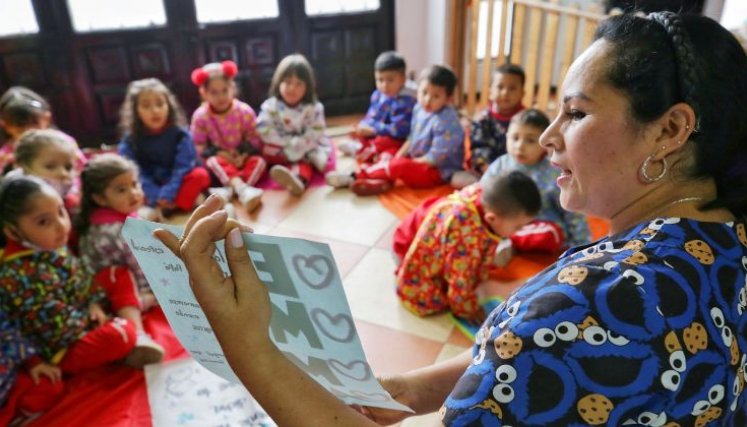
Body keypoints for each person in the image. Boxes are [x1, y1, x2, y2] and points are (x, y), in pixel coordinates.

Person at [155, 12, 747, 426]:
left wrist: (247, 345)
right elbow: (536, 358)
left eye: (576, 113)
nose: (548, 136)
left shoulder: (605, 302)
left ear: (670, 130)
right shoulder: (724, 243)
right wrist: (409, 390)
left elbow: (554, 341)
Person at [0, 176, 163, 386]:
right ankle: (130, 327)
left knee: (116, 274)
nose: (61, 225)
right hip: (65, 346)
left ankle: (136, 334)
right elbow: (53, 326)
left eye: (60, 212)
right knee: (118, 335)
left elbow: (81, 277)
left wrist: (93, 302)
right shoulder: (18, 273)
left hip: (82, 311)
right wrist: (92, 319)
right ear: (13, 232)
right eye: (43, 222)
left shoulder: (48, 242)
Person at [394, 171, 540, 323]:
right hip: (413, 271)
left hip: (428, 243)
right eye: (518, 226)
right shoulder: (467, 235)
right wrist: (467, 308)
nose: (520, 231)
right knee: (434, 299)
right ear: (491, 218)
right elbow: (459, 278)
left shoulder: (482, 197)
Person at [326, 65, 464, 196]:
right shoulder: (419, 108)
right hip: (417, 157)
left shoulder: (447, 123)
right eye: (424, 92)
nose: (427, 100)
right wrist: (398, 156)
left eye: (436, 96)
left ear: (448, 100)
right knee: (390, 152)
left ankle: (353, 176)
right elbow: (412, 137)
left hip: (437, 172)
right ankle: (382, 181)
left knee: (398, 166)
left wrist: (400, 163)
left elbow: (434, 159)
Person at [481, 108, 591, 252]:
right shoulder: (501, 164)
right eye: (515, 138)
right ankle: (506, 242)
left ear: (545, 144)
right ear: (506, 137)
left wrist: (582, 244)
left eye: (530, 140)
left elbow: (572, 210)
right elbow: (482, 192)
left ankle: (509, 244)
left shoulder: (553, 174)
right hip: (505, 222)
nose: (519, 146)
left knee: (547, 235)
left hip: (538, 226)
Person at [77, 153, 161, 314]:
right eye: (121, 190)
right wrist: (157, 293)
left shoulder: (114, 216)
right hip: (119, 295)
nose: (133, 193)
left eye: (135, 184)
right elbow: (139, 268)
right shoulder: (114, 231)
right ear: (101, 199)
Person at [117, 78, 210, 220]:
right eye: (146, 106)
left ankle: (169, 207)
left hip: (176, 183)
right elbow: (136, 173)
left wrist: (168, 193)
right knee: (127, 186)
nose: (155, 111)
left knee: (200, 175)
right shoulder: (130, 140)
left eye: (160, 104)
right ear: (136, 111)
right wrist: (155, 195)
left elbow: (183, 168)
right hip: (150, 186)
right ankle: (173, 205)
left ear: (169, 106)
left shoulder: (180, 134)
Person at [190, 61, 265, 211]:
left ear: (233, 88)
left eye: (225, 90)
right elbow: (198, 146)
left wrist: (243, 155)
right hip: (221, 162)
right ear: (203, 93)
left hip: (243, 157)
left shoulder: (244, 111)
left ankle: (231, 190)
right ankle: (243, 189)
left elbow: (254, 138)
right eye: (214, 92)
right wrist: (222, 155)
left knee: (260, 162)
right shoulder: (200, 116)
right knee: (213, 162)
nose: (221, 96)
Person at [256, 53, 330, 196]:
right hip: (281, 148)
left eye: (299, 84)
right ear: (278, 83)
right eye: (288, 82)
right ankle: (283, 168)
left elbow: (316, 131)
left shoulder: (314, 108)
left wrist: (299, 144)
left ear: (307, 87)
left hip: (304, 148)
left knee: (308, 161)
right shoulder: (270, 106)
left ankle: (298, 180)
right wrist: (287, 144)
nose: (292, 88)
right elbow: (264, 130)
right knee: (265, 150)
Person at [452, 64, 527, 189]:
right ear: (490, 91)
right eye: (500, 87)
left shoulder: (526, 119)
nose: (505, 93)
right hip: (488, 171)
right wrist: (489, 170)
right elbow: (479, 149)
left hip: (520, 170)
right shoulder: (482, 120)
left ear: (522, 93)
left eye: (512, 88)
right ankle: (490, 188)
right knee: (457, 179)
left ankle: (502, 190)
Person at [337, 51, 417, 164]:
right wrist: (362, 127)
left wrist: (373, 130)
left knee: (383, 142)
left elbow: (399, 130)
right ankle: (363, 148)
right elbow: (372, 116)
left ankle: (367, 151)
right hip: (379, 131)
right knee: (360, 131)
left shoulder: (407, 100)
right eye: (380, 80)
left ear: (403, 79)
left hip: (396, 138)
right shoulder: (378, 94)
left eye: (390, 80)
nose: (384, 85)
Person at [0, 87, 87, 185]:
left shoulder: (63, 143)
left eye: (35, 123)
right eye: (20, 125)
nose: (29, 130)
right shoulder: (5, 156)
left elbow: (82, 171)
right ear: (5, 126)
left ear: (46, 118)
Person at [10, 129, 81, 212]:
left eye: (68, 168)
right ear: (23, 168)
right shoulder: (15, 208)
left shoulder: (73, 204)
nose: (63, 173)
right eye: (50, 167)